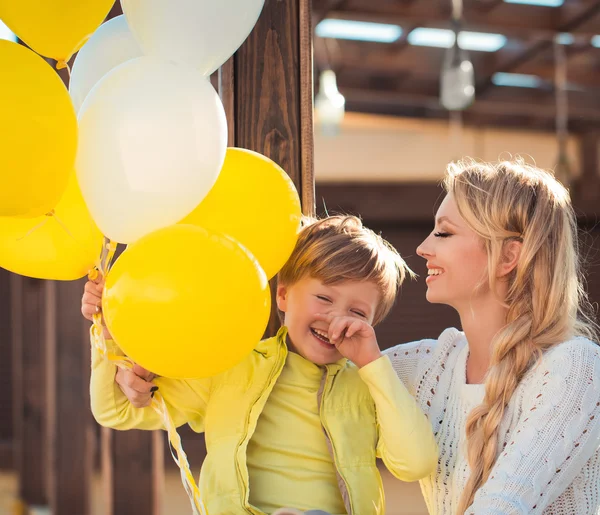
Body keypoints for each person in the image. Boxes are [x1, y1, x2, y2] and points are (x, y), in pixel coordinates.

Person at [82, 215, 438, 515]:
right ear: (283, 294)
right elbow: (114, 411)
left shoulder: (367, 387)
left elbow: (415, 463)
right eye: (324, 298)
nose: (336, 318)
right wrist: (108, 332)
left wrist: (372, 363)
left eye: (357, 312)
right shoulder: (231, 365)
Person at [384, 159, 600, 514]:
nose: (423, 248)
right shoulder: (429, 367)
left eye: (444, 233)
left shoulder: (574, 369)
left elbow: (502, 505)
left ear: (507, 257)